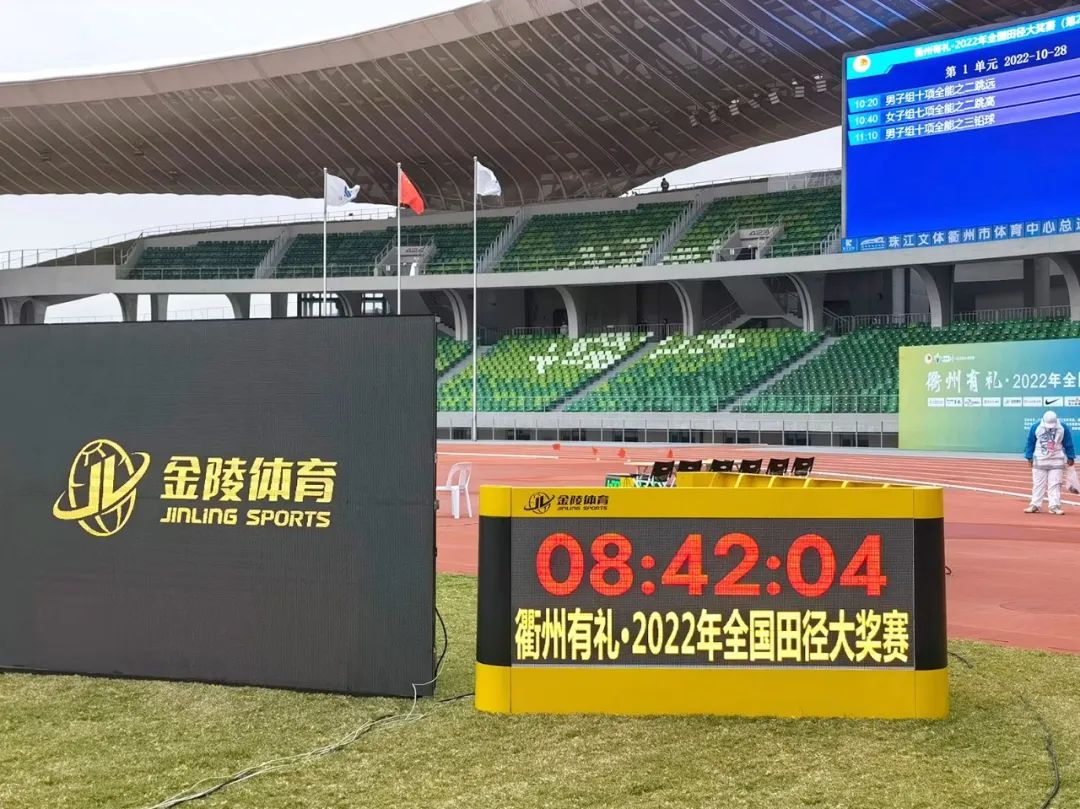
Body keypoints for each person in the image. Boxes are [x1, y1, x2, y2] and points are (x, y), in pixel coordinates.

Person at [1024, 410, 1075, 515]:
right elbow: (1030, 442)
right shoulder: (1036, 426)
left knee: (1055, 484)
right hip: (1040, 459)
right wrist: (1029, 456)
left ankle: (1054, 506)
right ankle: (1035, 505)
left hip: (1056, 459)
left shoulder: (1062, 427)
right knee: (1038, 484)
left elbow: (1068, 442)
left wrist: (1070, 456)